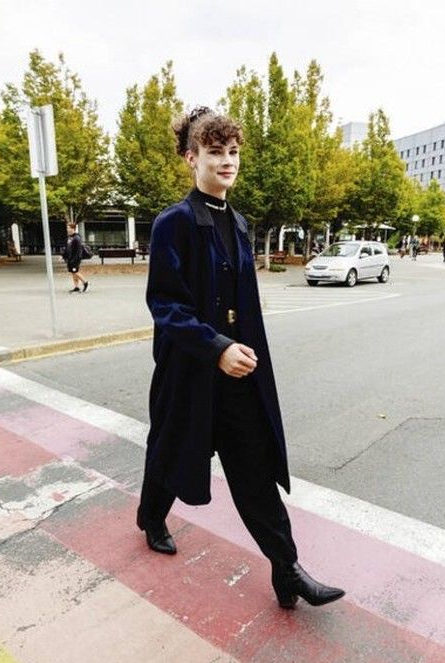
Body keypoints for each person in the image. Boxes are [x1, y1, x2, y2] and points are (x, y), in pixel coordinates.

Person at [137, 106, 344, 610]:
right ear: (192, 158)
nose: (227, 162)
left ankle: (287, 570)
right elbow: (165, 305)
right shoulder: (175, 223)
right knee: (171, 452)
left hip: (238, 374)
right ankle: (151, 516)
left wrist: (241, 353)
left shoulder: (240, 223)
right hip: (191, 371)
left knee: (253, 471)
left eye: (232, 152)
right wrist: (217, 347)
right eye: (214, 152)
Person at [65, 222, 89, 292]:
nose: (67, 229)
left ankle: (85, 282)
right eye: (67, 228)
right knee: (73, 272)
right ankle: (76, 286)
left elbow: (79, 250)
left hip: (75, 259)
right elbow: (67, 248)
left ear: (73, 229)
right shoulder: (70, 238)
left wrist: (76, 259)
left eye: (69, 228)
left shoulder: (77, 238)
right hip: (70, 258)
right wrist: (64, 256)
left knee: (75, 272)